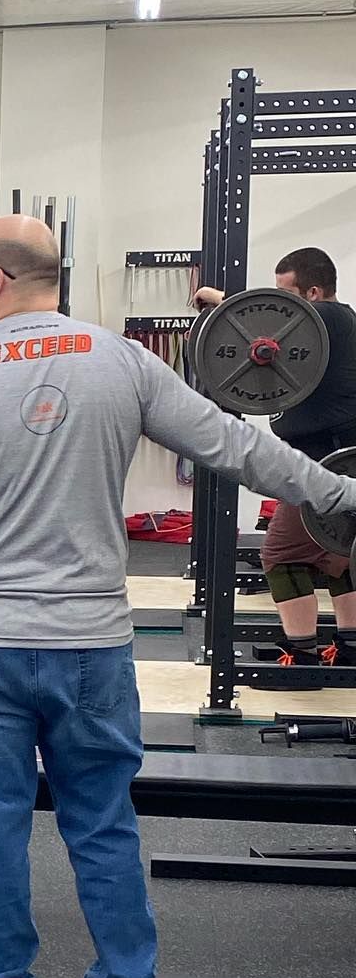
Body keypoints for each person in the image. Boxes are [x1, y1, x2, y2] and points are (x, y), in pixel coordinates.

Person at [0, 215, 356, 978]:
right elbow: (233, 444)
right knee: (101, 818)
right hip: (87, 645)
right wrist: (336, 495)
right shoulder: (121, 360)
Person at [193, 249, 356, 666]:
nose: (282, 305)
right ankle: (350, 645)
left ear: (314, 292)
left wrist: (224, 301)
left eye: (287, 294)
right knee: (338, 556)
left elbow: (266, 328)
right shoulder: (330, 327)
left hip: (325, 464)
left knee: (281, 554)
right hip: (328, 459)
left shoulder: (331, 318)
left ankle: (301, 654)